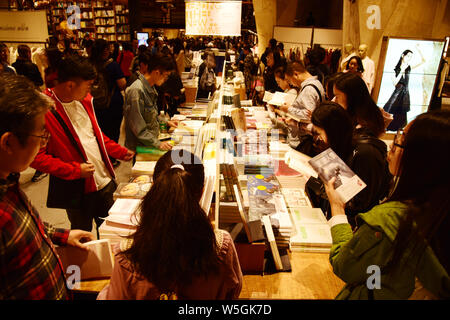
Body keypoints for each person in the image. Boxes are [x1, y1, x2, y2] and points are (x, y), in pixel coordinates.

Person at [324, 110, 450, 299]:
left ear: (421, 158)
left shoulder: (389, 222)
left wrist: (337, 207)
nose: (392, 145)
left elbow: (344, 266)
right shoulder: (438, 211)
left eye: (401, 140)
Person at [97, 149, 243, 299]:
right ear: (202, 191)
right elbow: (233, 292)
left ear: (154, 188)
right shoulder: (221, 246)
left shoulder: (127, 255)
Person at [0, 73, 95, 299]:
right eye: (41, 135)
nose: (45, 140)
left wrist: (61, 235)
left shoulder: (8, 182)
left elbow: (26, 227)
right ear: (9, 143)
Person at [30, 55, 135, 233]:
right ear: (70, 85)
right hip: (77, 188)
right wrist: (74, 170)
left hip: (104, 181)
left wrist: (118, 151)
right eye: (87, 84)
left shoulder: (83, 102)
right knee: (82, 237)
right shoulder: (43, 109)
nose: (89, 90)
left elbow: (94, 136)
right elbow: (36, 158)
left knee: (113, 231)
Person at [307, 102, 392, 227]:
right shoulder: (343, 145)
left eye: (319, 134)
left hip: (354, 226)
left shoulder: (365, 154)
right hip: (337, 217)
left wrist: (324, 189)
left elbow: (360, 203)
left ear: (332, 132)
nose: (318, 140)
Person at [124, 52, 177, 152]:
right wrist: (158, 144)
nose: (166, 79)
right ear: (157, 72)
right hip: (141, 148)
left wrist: (166, 122)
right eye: (166, 76)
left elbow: (150, 116)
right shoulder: (136, 91)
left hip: (149, 142)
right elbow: (138, 129)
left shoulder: (151, 87)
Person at [279, 60, 325, 154]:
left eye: (290, 80)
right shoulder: (316, 83)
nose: (291, 84)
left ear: (296, 74)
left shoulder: (309, 89)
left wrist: (288, 109)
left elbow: (308, 115)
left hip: (306, 139)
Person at [90, 39, 127, 146]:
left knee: (100, 130)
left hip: (94, 102)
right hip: (112, 103)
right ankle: (112, 157)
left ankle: (102, 153)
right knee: (113, 130)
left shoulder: (90, 64)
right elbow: (122, 84)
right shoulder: (112, 65)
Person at [383, 47, 425, 131]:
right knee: (390, 109)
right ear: (403, 55)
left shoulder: (409, 67)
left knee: (402, 113)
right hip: (397, 92)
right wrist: (402, 70)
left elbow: (423, 61)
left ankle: (398, 130)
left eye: (411, 57)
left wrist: (419, 49)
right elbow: (395, 83)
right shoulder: (395, 69)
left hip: (405, 93)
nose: (409, 58)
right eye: (408, 56)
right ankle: (386, 127)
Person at [333, 72, 385, 137]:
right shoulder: (366, 112)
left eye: (337, 96)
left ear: (350, 96)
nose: (335, 101)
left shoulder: (362, 128)